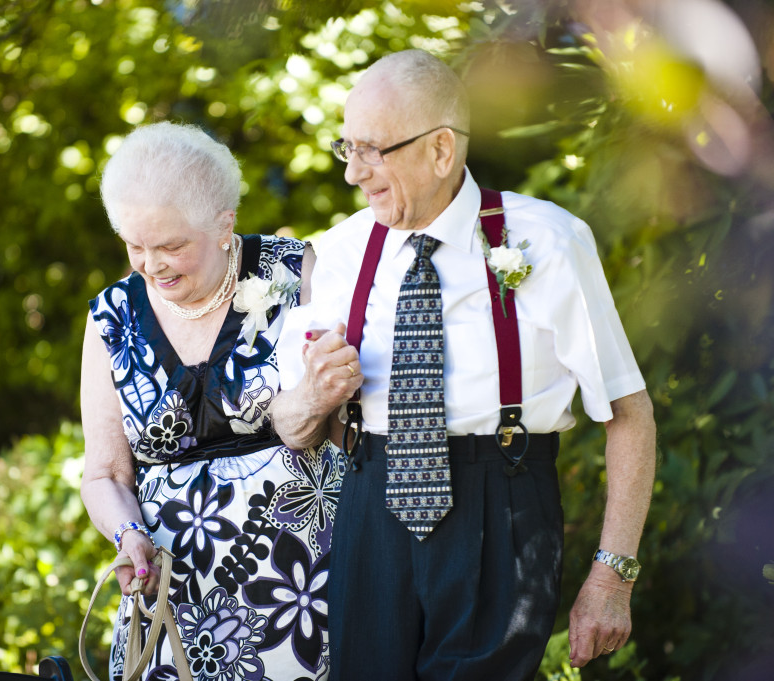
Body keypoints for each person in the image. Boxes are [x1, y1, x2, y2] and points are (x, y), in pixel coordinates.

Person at [272, 50, 656, 681]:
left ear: (441, 150)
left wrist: (613, 575)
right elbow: (292, 428)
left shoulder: (549, 241)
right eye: (348, 148)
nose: (353, 173)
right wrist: (312, 399)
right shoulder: (338, 253)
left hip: (501, 503)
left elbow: (628, 411)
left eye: (373, 150)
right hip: (371, 506)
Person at [80, 121, 341, 681]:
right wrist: (129, 537)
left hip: (306, 587)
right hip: (175, 596)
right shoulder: (112, 317)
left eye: (172, 245)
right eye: (135, 246)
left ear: (225, 225)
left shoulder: (298, 273)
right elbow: (104, 474)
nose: (152, 265)